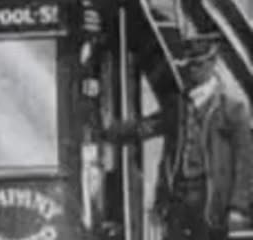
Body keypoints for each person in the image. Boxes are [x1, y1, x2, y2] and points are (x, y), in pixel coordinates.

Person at [103, 34, 253, 240]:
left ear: (212, 63)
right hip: (177, 199)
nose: (192, 70)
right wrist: (109, 131)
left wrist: (238, 207)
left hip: (212, 201)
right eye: (189, 65)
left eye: (198, 64)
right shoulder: (178, 106)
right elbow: (147, 127)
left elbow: (245, 163)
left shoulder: (232, 109)